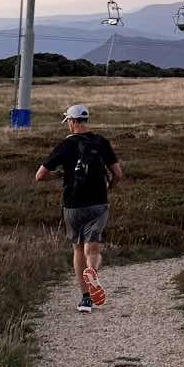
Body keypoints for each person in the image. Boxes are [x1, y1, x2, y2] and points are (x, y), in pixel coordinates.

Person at [36, 103, 122, 313]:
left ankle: (85, 298)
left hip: (73, 204)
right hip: (99, 202)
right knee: (92, 246)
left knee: (77, 247)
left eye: (68, 121)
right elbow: (118, 173)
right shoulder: (101, 142)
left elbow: (40, 175)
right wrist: (109, 187)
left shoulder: (65, 145)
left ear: (72, 122)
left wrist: (60, 175)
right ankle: (92, 271)